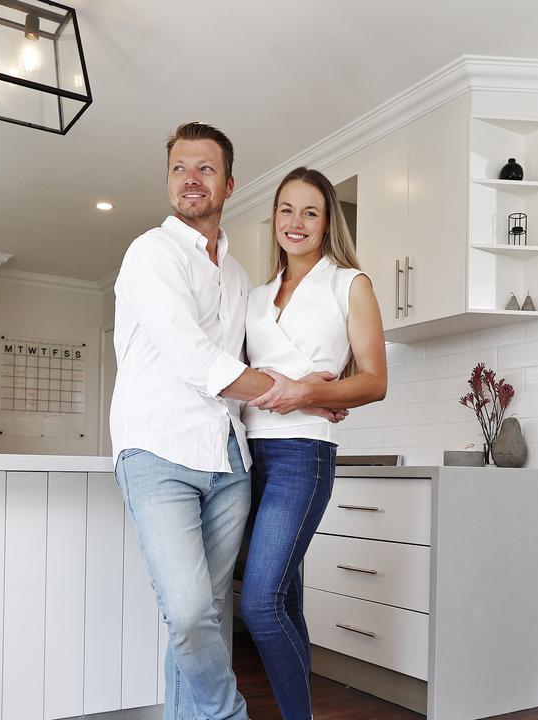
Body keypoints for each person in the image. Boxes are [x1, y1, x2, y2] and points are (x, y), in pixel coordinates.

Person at [110, 124, 345, 720]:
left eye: (206, 169)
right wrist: (292, 394)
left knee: (209, 617)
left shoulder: (240, 278)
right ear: (168, 181)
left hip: (230, 461)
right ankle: (227, 714)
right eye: (180, 169)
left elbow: (266, 362)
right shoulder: (151, 254)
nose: (191, 179)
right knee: (189, 613)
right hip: (158, 453)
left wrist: (320, 391)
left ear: (229, 184)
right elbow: (196, 359)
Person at [239, 167, 388, 720]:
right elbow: (235, 376)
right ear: (273, 218)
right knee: (283, 601)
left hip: (302, 454)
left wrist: (306, 393)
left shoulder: (349, 283)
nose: (295, 223)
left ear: (328, 223)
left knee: (259, 604)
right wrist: (298, 389)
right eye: (286, 210)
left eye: (310, 212)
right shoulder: (254, 297)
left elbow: (374, 378)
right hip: (247, 454)